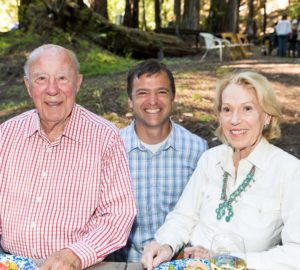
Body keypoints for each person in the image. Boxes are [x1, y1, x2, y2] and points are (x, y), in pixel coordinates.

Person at [142, 71, 300, 270]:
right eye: (227, 109)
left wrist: (227, 261)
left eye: (247, 109)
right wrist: (166, 244)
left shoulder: (289, 171)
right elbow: (184, 216)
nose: (234, 120)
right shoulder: (210, 159)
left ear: (267, 116)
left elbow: (296, 253)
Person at [0, 44, 136, 269]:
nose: (52, 89)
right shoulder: (6, 135)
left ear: (78, 83)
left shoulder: (104, 137)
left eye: (62, 78)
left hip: (79, 266)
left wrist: (76, 254)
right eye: (41, 79)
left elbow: (118, 213)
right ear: (27, 85)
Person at [107, 59, 208, 262]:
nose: (152, 101)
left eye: (161, 92)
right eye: (142, 93)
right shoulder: (111, 148)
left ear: (173, 97)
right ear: (130, 101)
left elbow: (203, 213)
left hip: (179, 262)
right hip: (125, 263)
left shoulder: (197, 149)